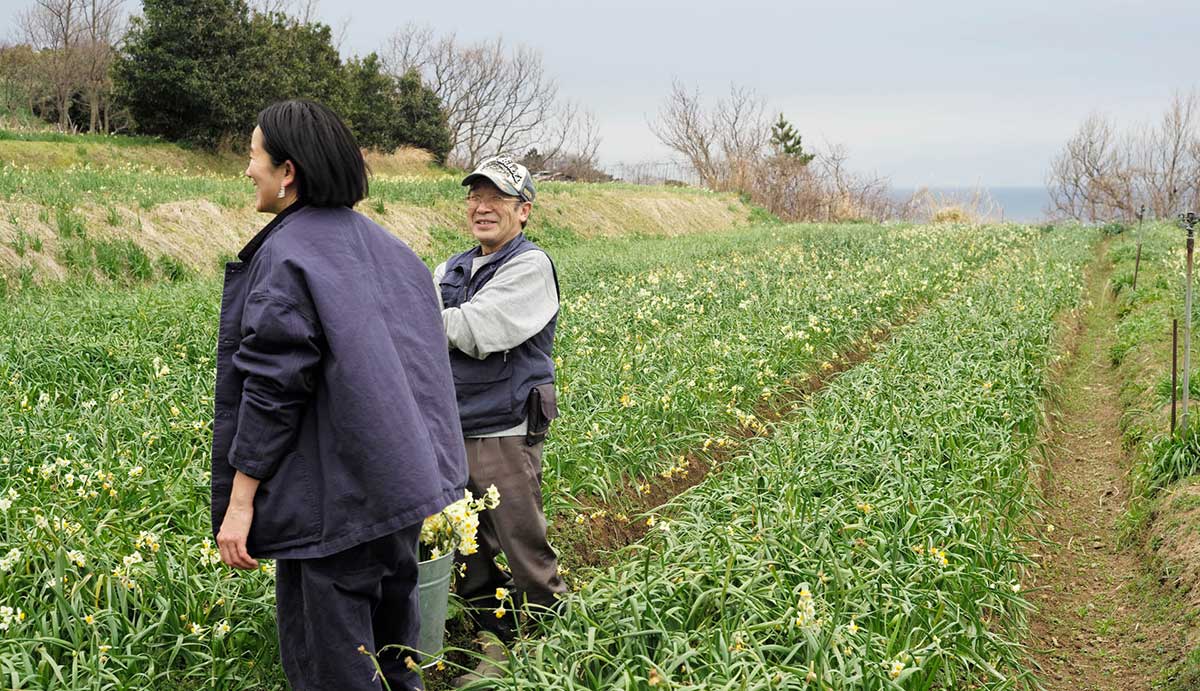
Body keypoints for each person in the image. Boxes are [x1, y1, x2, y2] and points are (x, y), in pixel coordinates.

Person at [211, 99, 467, 691]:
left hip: (333, 507)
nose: (248, 170)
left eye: (253, 156)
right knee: (397, 654)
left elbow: (274, 389)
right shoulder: (394, 250)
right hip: (401, 495)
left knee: (333, 670)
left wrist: (241, 500)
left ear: (288, 171)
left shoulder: (288, 254)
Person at [433, 155, 568, 686]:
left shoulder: (530, 266)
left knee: (520, 539)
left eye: (498, 199)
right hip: (451, 427)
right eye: (475, 197)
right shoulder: (452, 267)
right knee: (467, 545)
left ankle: (550, 640)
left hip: (505, 427)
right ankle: (493, 639)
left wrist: (407, 315)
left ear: (524, 211)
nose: (482, 207)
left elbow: (478, 329)